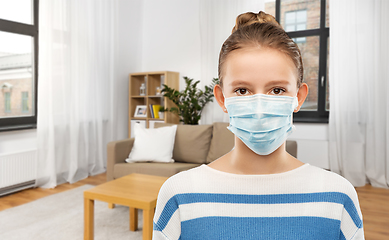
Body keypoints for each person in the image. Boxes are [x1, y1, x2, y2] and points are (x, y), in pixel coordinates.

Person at [152, 11, 364, 240]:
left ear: (299, 97)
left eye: (277, 90)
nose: (260, 108)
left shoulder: (338, 197)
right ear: (222, 98)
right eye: (242, 90)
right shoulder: (179, 195)